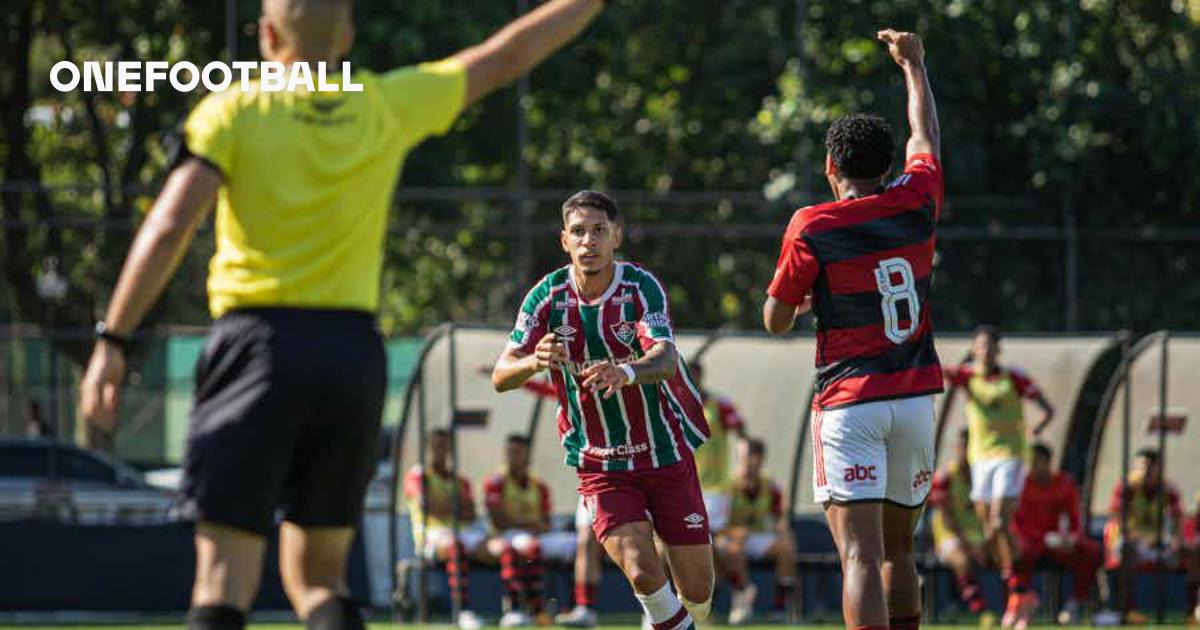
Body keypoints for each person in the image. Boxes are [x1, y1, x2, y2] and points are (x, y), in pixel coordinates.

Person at [77, 1, 606, 628]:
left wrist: (113, 340)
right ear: (348, 36)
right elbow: (506, 54)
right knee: (321, 578)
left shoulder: (234, 109)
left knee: (223, 578)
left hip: (255, 344)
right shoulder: (382, 105)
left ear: (268, 36)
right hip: (350, 356)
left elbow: (167, 227)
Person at [762, 29, 943, 630]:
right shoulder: (918, 196)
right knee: (900, 550)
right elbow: (927, 136)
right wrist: (914, 66)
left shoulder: (812, 225)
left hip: (851, 402)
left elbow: (775, 319)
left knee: (859, 556)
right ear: (889, 166)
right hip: (915, 397)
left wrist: (812, 298)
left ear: (829, 166)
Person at [492, 190, 714, 630]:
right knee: (639, 568)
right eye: (578, 232)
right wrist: (536, 360)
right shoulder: (546, 298)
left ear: (617, 236)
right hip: (601, 462)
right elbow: (502, 374)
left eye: (598, 231)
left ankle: (670, 622)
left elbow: (667, 359)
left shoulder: (639, 289)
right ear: (564, 241)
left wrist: (626, 372)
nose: (588, 242)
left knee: (698, 594)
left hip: (664, 453)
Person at [943, 325, 1054, 615]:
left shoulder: (1013, 378)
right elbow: (938, 372)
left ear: (998, 349)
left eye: (991, 346)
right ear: (974, 349)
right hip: (980, 458)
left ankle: (1019, 590)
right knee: (989, 531)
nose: (986, 351)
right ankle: (1017, 585)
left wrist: (1036, 427)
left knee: (998, 524)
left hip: (1009, 455)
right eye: (980, 345)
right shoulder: (968, 376)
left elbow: (1047, 408)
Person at [482, 434, 577, 627]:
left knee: (579, 545)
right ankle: (528, 609)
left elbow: (546, 522)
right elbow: (498, 520)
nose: (512, 457)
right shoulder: (496, 481)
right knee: (529, 547)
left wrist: (534, 525)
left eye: (517, 452)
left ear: (527, 455)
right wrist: (529, 524)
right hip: (507, 535)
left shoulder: (539, 485)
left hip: (537, 535)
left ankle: (574, 608)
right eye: (509, 452)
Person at [403, 429, 487, 629]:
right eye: (436, 446)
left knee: (504, 548)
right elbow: (427, 507)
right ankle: (463, 611)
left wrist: (444, 505)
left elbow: (471, 512)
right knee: (455, 547)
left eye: (444, 446)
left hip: (464, 532)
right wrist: (455, 506)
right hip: (431, 536)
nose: (440, 451)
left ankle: (520, 610)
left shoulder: (459, 479)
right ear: (427, 448)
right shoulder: (418, 475)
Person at [1010, 443, 1100, 628]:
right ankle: (1019, 604)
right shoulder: (1020, 486)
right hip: (1033, 545)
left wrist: (1070, 538)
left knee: (1091, 551)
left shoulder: (1064, 484)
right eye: (1030, 462)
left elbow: (1075, 520)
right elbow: (1017, 524)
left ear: (1048, 462)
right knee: (1017, 551)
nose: (1033, 466)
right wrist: (1044, 538)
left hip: (1060, 546)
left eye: (1037, 461)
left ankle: (1074, 604)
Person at [715, 437, 796, 626]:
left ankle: (780, 608)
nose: (750, 462)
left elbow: (779, 517)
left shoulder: (769, 485)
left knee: (786, 548)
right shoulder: (727, 486)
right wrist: (734, 532)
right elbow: (716, 526)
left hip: (757, 536)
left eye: (755, 456)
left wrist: (783, 530)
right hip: (730, 538)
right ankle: (742, 598)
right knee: (733, 549)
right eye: (745, 457)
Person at [1103, 448, 1185, 624]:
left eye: (1150, 466)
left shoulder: (1168, 489)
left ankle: (1192, 610)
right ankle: (1127, 610)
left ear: (1159, 467)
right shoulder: (1127, 487)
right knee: (1126, 550)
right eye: (1142, 466)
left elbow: (1177, 518)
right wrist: (1133, 537)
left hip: (1158, 543)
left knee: (1190, 552)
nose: (1145, 470)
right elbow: (1116, 518)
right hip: (1134, 542)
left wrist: (1176, 540)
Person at [928, 429, 989, 619]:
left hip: (980, 537)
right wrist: (970, 546)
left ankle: (1012, 607)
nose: (968, 452)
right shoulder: (945, 476)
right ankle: (979, 611)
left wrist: (988, 540)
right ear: (958, 448)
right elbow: (946, 518)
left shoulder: (984, 475)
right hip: (950, 537)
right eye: (964, 447)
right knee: (961, 559)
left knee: (1007, 553)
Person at [689, 362, 747, 535]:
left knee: (709, 535)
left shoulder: (720, 405)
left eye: (694, 374)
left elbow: (741, 435)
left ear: (700, 375)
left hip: (716, 486)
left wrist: (742, 464)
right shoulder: (677, 405)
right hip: (688, 484)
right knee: (691, 536)